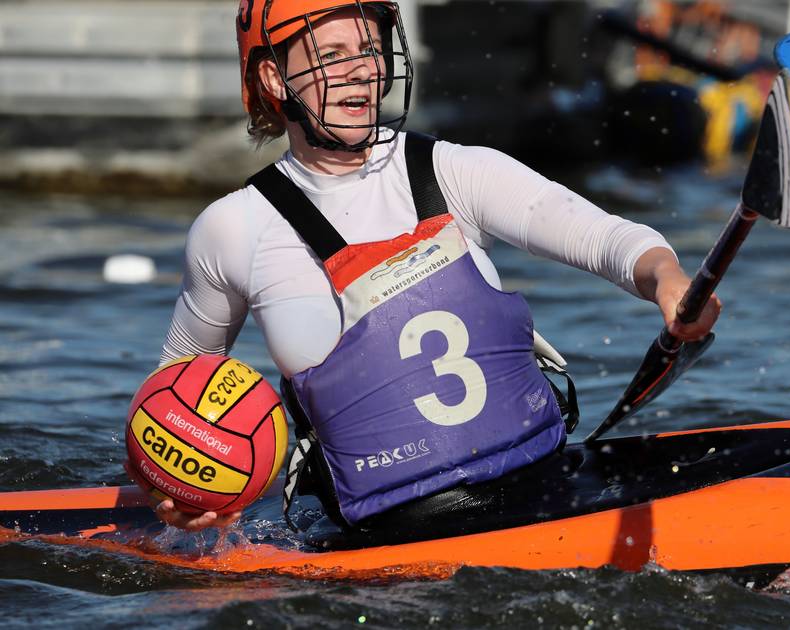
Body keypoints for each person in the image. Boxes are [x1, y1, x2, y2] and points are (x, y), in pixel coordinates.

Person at [150, 0, 721, 531]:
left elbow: (610, 241)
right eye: (331, 56)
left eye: (369, 50)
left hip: (539, 491)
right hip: (374, 536)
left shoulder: (454, 172)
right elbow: (175, 391)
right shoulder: (233, 229)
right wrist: (184, 493)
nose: (360, 71)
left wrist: (667, 281)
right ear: (275, 79)